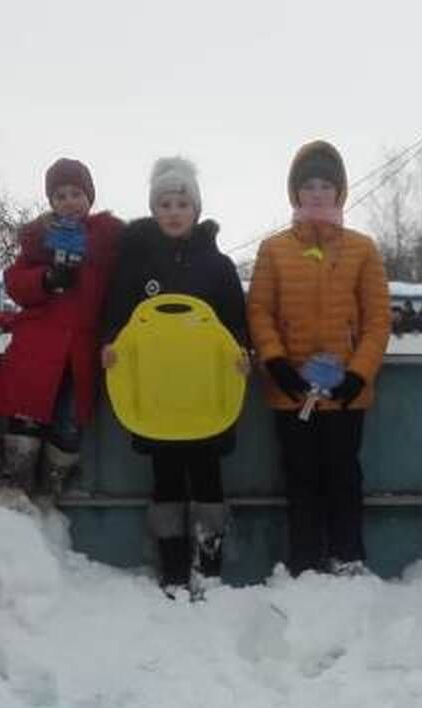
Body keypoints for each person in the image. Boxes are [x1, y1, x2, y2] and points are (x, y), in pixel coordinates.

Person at [103, 157, 247, 599]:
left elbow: (235, 322)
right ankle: (172, 569)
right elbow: (116, 317)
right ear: (154, 208)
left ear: (195, 209)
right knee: (165, 481)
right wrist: (109, 346)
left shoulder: (218, 267)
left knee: (208, 480)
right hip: (158, 400)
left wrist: (244, 353)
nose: (173, 211)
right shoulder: (136, 265)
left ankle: (209, 567)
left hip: (206, 398)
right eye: (164, 203)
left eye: (182, 202)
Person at [246, 140, 391, 576]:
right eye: (307, 185)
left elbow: (377, 320)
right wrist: (275, 363)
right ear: (295, 193)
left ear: (340, 191)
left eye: (325, 184)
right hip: (291, 393)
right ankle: (304, 562)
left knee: (344, 477)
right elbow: (259, 310)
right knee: (300, 478)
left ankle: (349, 558)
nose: (316, 193)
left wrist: (358, 376)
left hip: (346, 395)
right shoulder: (273, 250)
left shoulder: (362, 249)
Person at [0, 158, 123, 510]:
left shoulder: (106, 241)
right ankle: (14, 489)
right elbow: (15, 283)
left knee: (68, 424)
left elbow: (119, 289)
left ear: (89, 197)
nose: (68, 202)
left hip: (81, 351)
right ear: (51, 202)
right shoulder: (38, 243)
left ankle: (50, 492)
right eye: (60, 195)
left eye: (76, 193)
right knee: (25, 419)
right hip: (37, 349)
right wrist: (46, 279)